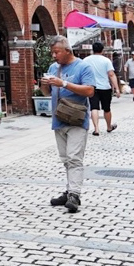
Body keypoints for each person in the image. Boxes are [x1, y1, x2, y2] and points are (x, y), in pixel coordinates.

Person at [40, 36, 97, 213]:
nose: (54, 56)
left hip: (77, 120)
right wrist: (45, 86)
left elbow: (89, 91)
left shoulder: (83, 67)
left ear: (67, 50)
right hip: (59, 118)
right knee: (66, 159)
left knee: (74, 158)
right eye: (52, 52)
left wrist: (64, 83)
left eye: (56, 52)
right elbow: (48, 93)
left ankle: (74, 195)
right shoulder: (53, 68)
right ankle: (69, 189)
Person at [83, 42, 119, 136]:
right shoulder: (106, 60)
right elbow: (111, 74)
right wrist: (117, 88)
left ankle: (96, 129)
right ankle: (108, 127)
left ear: (92, 50)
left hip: (91, 87)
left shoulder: (86, 60)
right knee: (106, 108)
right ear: (102, 50)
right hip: (105, 87)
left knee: (94, 107)